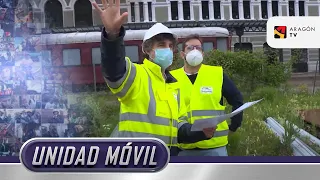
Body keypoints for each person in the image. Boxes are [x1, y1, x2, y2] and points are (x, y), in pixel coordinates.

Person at [92, 0, 215, 156]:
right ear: (147, 50)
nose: (168, 50)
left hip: (166, 162)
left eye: (170, 46)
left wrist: (201, 132)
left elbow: (179, 129)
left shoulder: (174, 86)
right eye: (162, 45)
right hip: (136, 162)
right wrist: (112, 36)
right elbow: (113, 70)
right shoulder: (137, 75)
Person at [170, 34, 244, 156]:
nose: (195, 51)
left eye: (198, 48)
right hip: (183, 147)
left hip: (214, 146)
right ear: (182, 54)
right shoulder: (172, 77)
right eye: (190, 48)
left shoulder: (216, 74)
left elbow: (237, 99)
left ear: (203, 54)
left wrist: (234, 126)